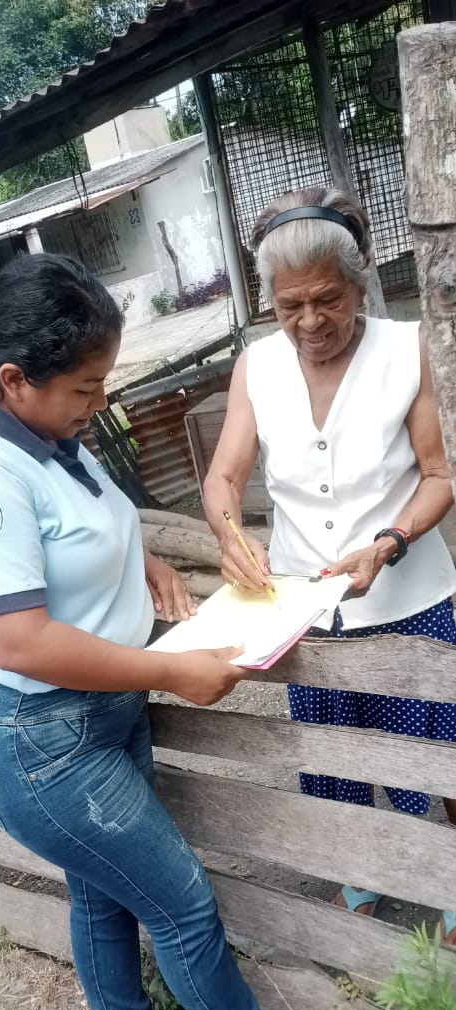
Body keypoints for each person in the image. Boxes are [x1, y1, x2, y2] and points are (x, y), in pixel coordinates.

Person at [0, 253, 356, 1010]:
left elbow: (80, 520)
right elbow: (19, 641)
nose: (98, 402)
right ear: (12, 379)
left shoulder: (43, 432)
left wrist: (138, 560)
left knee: (102, 894)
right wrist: (168, 671)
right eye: (85, 388)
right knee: (180, 902)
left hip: (93, 716)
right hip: (37, 740)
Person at [204, 186, 456, 944]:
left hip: (408, 596)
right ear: (268, 303)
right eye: (289, 306)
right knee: (331, 751)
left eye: (328, 300)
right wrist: (229, 534)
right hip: (306, 607)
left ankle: (447, 876)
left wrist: (389, 542)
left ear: (360, 282)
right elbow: (223, 478)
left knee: (435, 751)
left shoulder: (406, 348)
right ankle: (360, 868)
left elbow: (438, 475)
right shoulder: (256, 366)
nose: (310, 322)